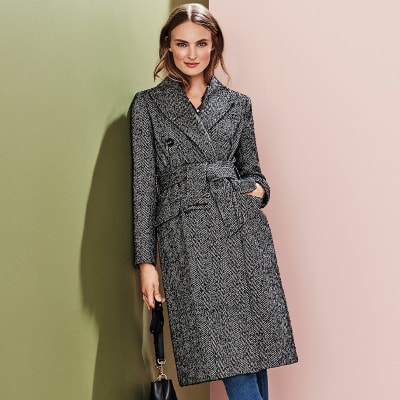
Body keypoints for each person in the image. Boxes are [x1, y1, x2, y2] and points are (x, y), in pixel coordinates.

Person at [129, 4, 298, 400]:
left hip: (241, 230)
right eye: (182, 44)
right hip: (187, 237)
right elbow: (144, 187)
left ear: (214, 45)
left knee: (254, 353)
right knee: (227, 352)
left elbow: (254, 172)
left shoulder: (238, 104)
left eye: (201, 43)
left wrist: (257, 191)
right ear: (168, 47)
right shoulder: (148, 106)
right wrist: (146, 262)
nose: (192, 54)